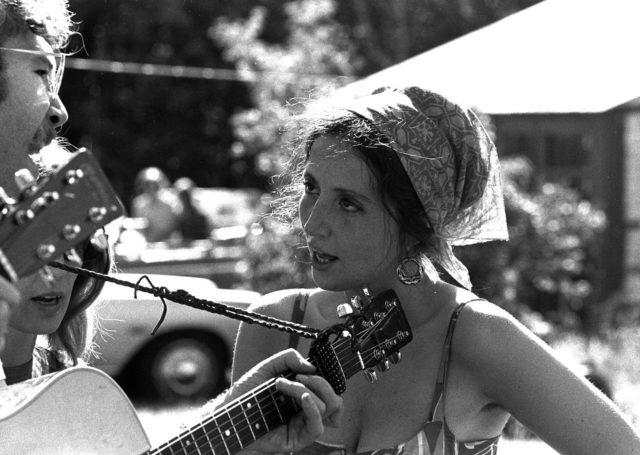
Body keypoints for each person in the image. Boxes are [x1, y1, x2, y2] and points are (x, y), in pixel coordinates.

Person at [0, 1, 342, 450]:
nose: (61, 111)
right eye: (43, 73)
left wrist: (234, 421)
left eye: (70, 243)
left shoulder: (58, 384)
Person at [231, 86, 640, 455]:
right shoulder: (274, 327)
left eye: (349, 204)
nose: (313, 223)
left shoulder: (477, 337)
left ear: (418, 224)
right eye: (311, 188)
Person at [131, 166, 184, 242]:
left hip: (169, 243)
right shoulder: (138, 204)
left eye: (154, 185)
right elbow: (138, 226)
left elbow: (177, 226)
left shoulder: (171, 202)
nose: (151, 188)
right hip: (148, 243)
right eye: (148, 185)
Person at [174, 176, 211, 241]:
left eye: (187, 195)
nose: (185, 198)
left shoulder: (201, 215)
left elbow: (206, 236)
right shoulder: (177, 216)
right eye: (183, 195)